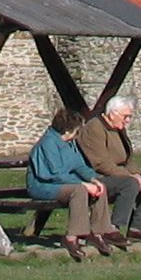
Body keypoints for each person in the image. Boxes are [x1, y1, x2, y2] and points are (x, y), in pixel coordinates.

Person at [24, 111, 115, 260]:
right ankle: (72, 238)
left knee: (100, 188)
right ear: (68, 130)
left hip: (65, 182)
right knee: (78, 191)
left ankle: (97, 233)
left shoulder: (70, 144)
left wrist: (94, 180)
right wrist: (83, 185)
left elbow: (80, 165)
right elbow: (55, 173)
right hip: (42, 185)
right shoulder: (48, 143)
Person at [75, 95, 141, 248]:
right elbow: (101, 163)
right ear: (112, 114)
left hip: (118, 174)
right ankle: (112, 229)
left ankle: (138, 228)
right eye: (125, 116)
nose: (128, 120)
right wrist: (131, 177)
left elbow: (127, 159)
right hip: (96, 178)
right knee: (129, 184)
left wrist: (139, 176)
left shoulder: (118, 129)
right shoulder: (94, 128)